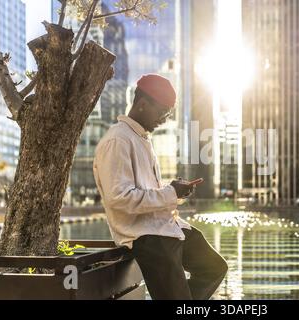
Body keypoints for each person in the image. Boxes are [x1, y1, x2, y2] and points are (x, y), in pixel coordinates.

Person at [93, 74, 228, 300]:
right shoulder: (118, 140)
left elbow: (147, 191)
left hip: (165, 227)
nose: (164, 119)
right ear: (143, 105)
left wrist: (176, 192)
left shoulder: (141, 139)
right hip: (145, 236)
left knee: (214, 267)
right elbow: (119, 198)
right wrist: (170, 193)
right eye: (162, 112)